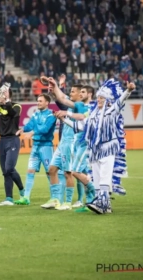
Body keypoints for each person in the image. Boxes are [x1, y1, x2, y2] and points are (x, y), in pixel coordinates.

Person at [59, 80, 135, 214]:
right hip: (95, 152)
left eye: (102, 98)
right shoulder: (93, 115)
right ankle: (104, 204)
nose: (99, 99)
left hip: (107, 149)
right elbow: (80, 126)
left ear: (107, 99)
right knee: (97, 178)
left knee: (105, 177)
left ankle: (102, 204)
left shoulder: (111, 111)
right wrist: (64, 120)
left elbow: (120, 101)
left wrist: (128, 90)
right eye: (99, 97)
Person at [48, 80, 95, 210]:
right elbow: (62, 99)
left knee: (80, 172)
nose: (80, 94)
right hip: (78, 142)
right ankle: (89, 200)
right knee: (79, 172)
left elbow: (81, 117)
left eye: (83, 92)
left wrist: (66, 114)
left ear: (89, 94)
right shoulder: (79, 105)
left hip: (89, 143)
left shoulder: (95, 107)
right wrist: (56, 86)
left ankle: (91, 198)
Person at [41, 79, 83, 210]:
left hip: (71, 143)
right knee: (52, 170)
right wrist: (54, 87)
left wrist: (56, 87)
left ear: (80, 94)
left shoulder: (80, 106)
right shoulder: (70, 105)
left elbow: (63, 100)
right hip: (62, 142)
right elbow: (60, 98)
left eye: (73, 91)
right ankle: (55, 199)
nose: (70, 93)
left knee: (68, 173)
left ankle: (68, 202)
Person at [13, 95, 56, 205]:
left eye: (41, 101)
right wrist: (22, 129)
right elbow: (29, 125)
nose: (38, 103)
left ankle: (54, 197)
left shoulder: (51, 115)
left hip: (46, 146)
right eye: (37, 101)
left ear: (47, 103)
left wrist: (32, 132)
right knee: (30, 170)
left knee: (49, 172)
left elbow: (45, 129)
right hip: (36, 146)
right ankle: (26, 198)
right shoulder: (35, 114)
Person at [0, 87, 25, 206]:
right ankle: (9, 198)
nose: (0, 96)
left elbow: (13, 114)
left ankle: (22, 190)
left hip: (13, 139)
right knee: (5, 171)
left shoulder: (16, 106)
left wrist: (7, 100)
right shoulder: (0, 107)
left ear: (8, 95)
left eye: (1, 94)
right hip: (2, 141)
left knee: (9, 168)